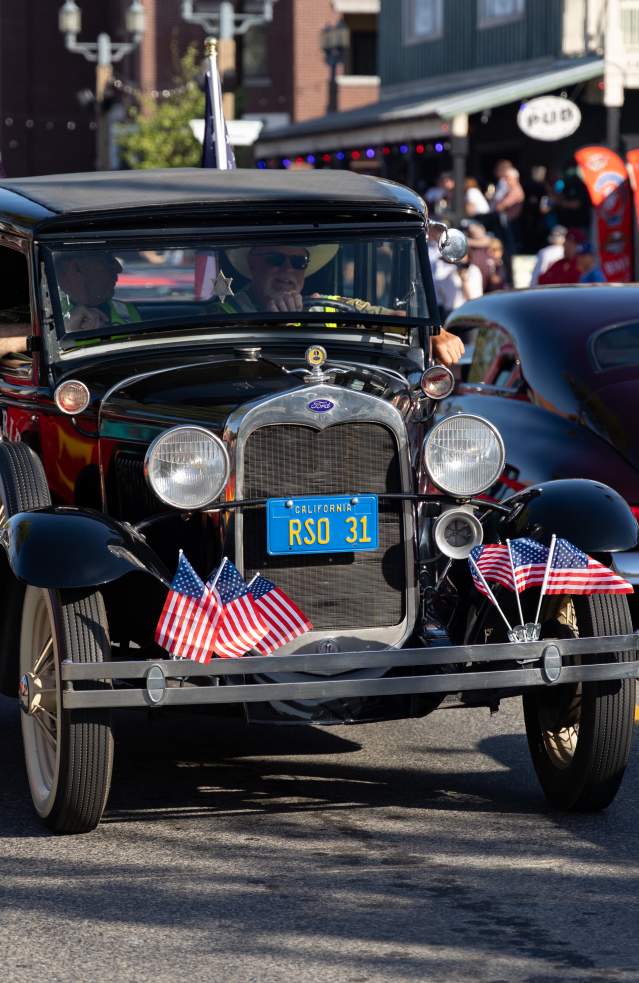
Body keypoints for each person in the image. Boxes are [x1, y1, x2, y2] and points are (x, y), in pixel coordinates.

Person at [226, 243, 465, 367]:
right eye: (275, 259)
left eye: (299, 261)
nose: (288, 270)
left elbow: (392, 317)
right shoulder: (223, 316)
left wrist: (434, 332)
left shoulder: (326, 307)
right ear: (252, 264)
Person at [55, 251, 141, 333]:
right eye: (106, 259)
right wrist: (67, 329)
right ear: (74, 268)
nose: (118, 268)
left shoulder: (127, 310)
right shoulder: (50, 317)